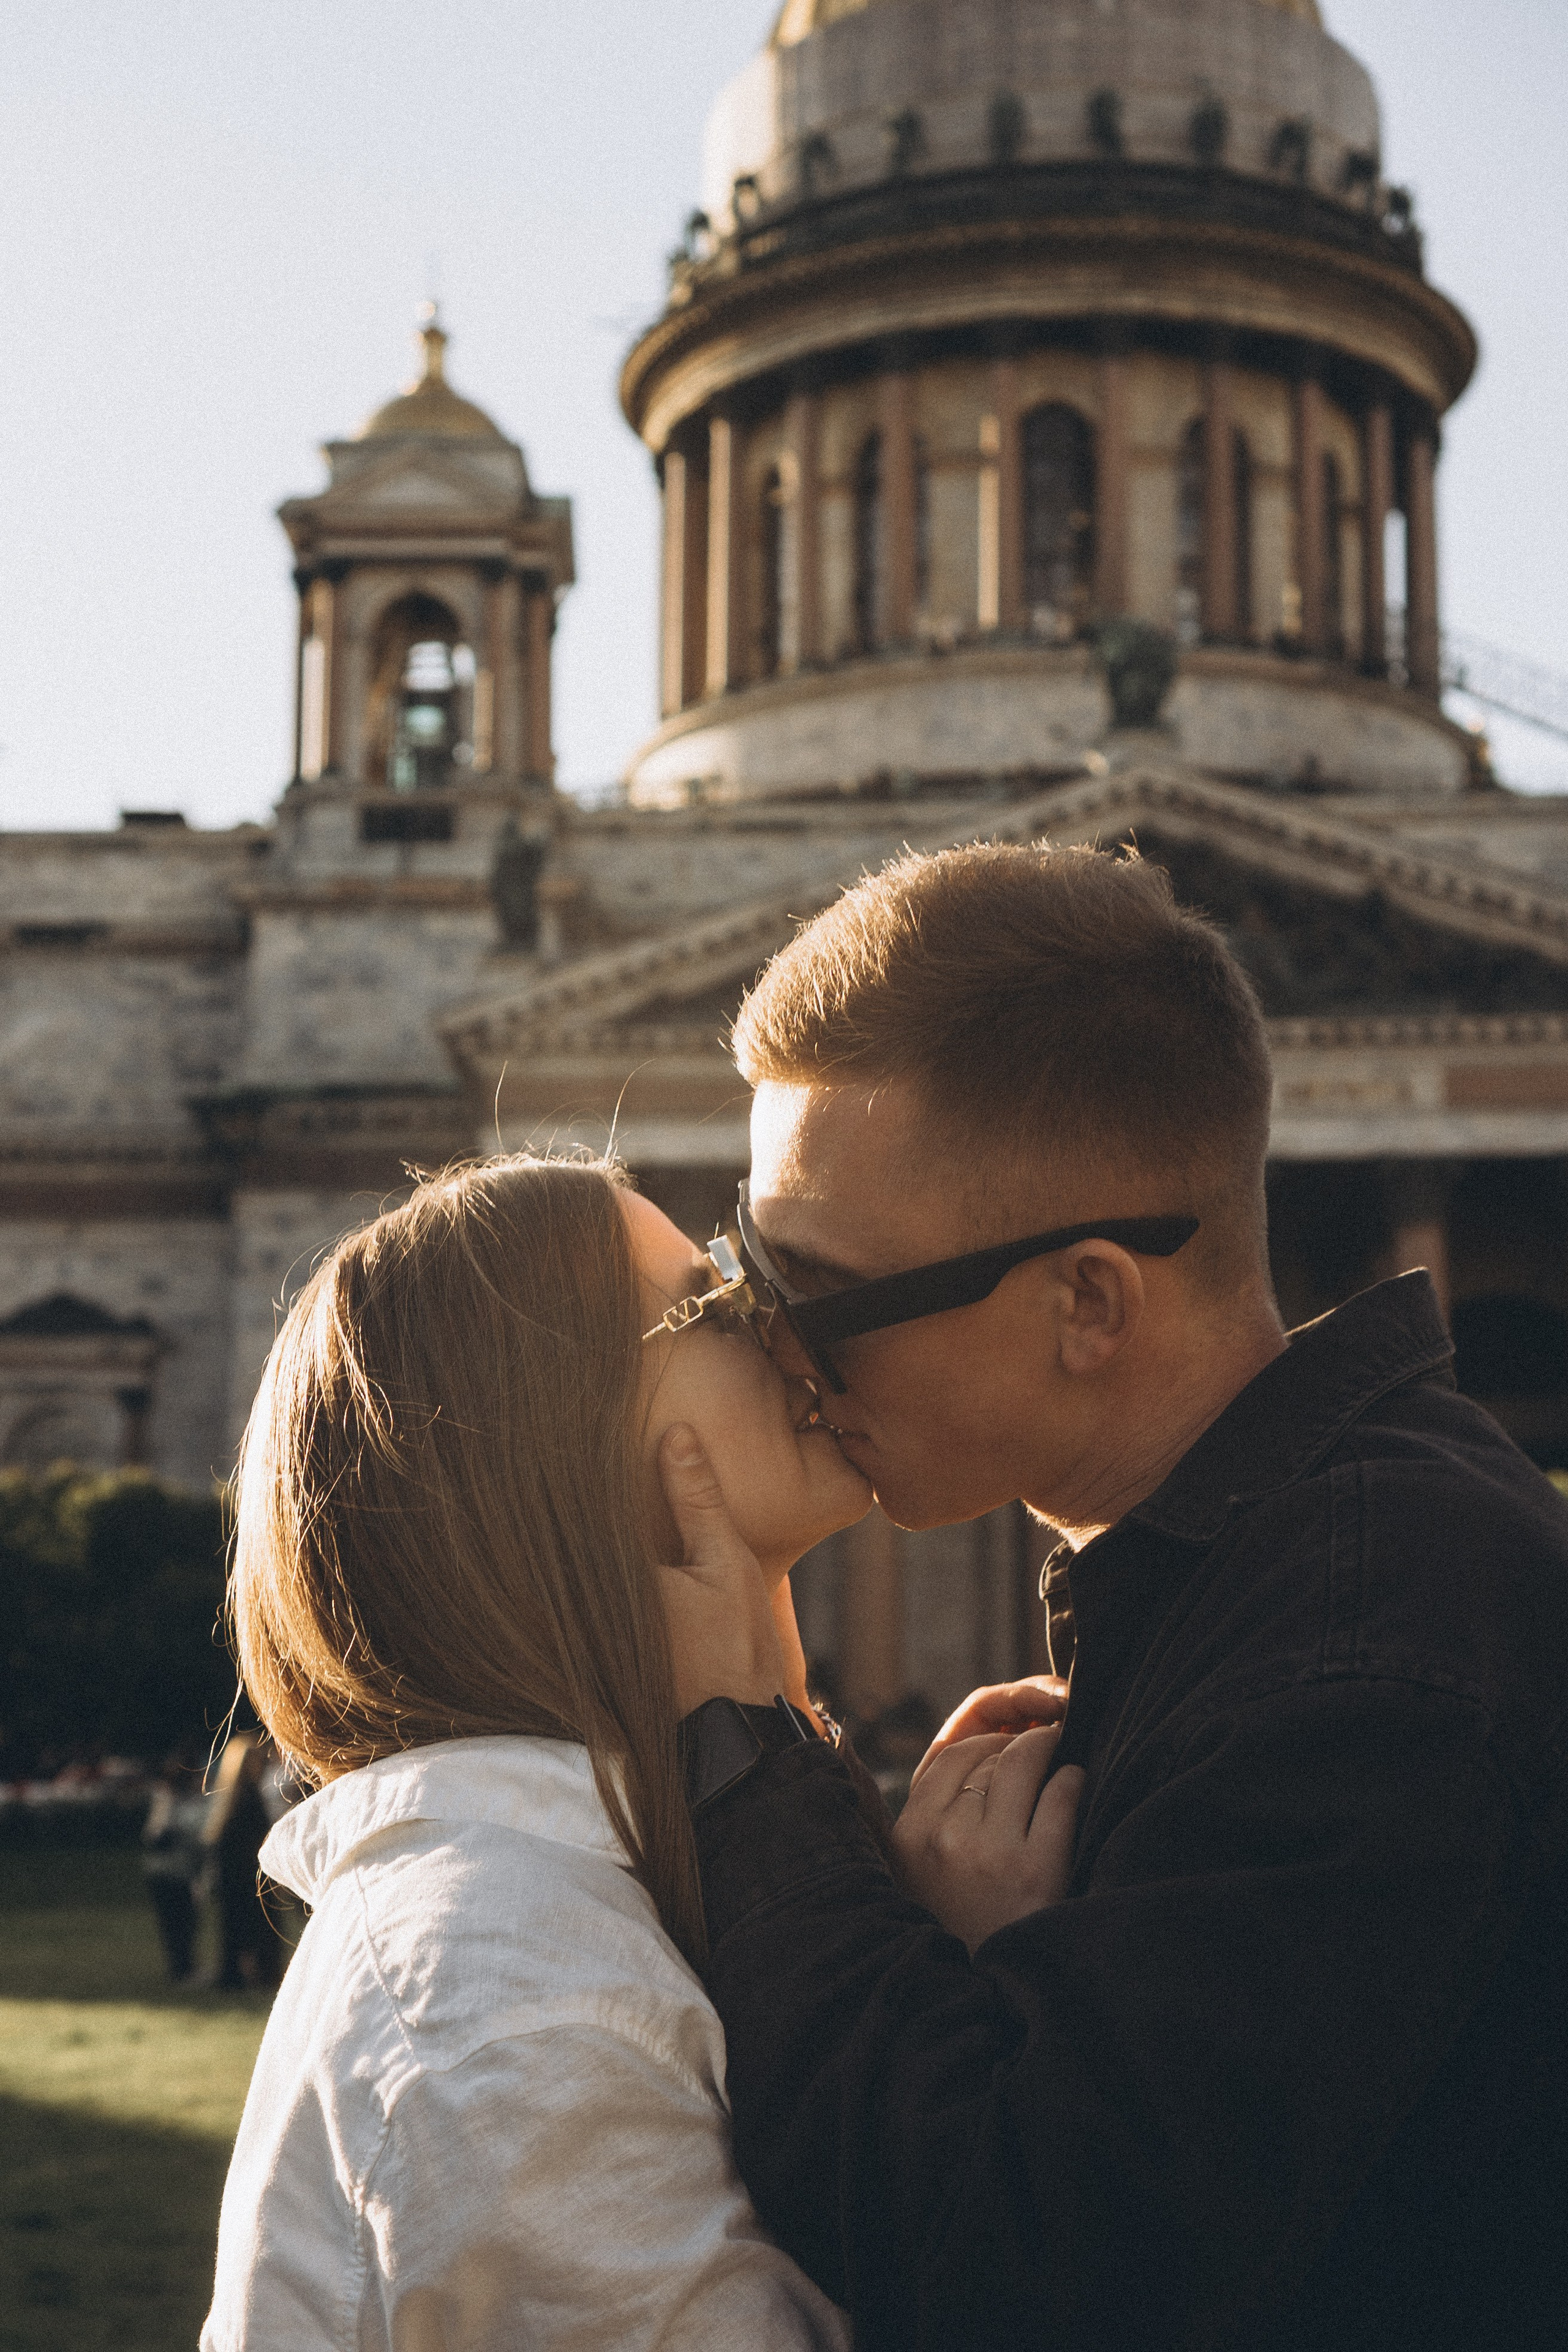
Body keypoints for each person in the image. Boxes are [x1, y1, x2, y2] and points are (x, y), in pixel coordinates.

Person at [655, 842, 1568, 2352]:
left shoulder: (1365, 1654)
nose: (767, 1348)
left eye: (813, 1297)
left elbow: (1013, 2266)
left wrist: (744, 1745)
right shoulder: (1300, 1576)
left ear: (1086, 1301)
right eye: (743, 1266)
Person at [203, 1155, 865, 2351]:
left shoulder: (558, 1910)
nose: (780, 1323)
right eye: (712, 1294)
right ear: (561, 1449)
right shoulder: (523, 2006)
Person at [202, 1731, 288, 1991]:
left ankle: (236, 1975)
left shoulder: (228, 1804)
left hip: (235, 1881)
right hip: (252, 1882)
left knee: (234, 1930)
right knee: (261, 1932)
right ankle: (261, 1976)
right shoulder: (250, 1800)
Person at [141, 1746, 209, 1983]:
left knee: (188, 1923)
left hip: (185, 1872)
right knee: (174, 1924)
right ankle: (181, 1970)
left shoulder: (199, 1803)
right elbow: (156, 1836)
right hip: (165, 1873)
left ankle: (186, 1968)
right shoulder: (167, 1800)